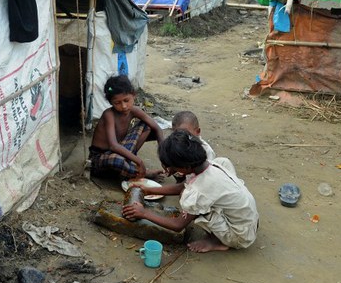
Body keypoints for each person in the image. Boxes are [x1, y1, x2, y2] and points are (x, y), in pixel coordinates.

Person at [122, 130, 259, 253]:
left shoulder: (201, 188)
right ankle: (221, 234)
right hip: (248, 222)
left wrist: (144, 213)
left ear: (185, 167)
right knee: (195, 196)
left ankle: (218, 242)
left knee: (193, 203)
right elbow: (184, 186)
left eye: (170, 165)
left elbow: (178, 225)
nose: (168, 168)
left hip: (239, 236)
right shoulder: (209, 166)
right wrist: (149, 189)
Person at [88, 75, 165, 180]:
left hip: (119, 150)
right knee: (116, 160)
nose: (124, 106)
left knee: (147, 125)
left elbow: (157, 128)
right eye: (117, 103)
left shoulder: (134, 110)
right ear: (111, 103)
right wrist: (139, 161)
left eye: (126, 100)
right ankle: (143, 173)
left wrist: (164, 155)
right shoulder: (109, 115)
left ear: (134, 95)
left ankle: (127, 163)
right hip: (100, 159)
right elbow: (113, 146)